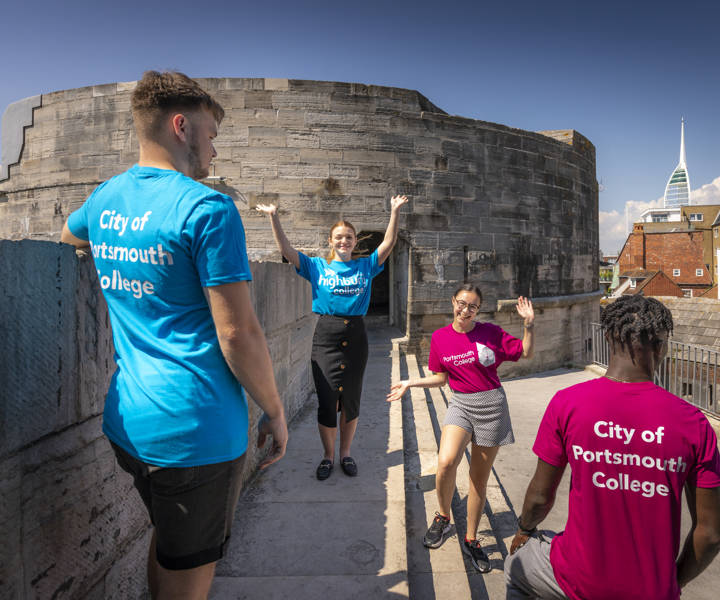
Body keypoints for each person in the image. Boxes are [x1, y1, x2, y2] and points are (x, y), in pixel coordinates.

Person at [60, 71, 288, 600]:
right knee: (189, 581)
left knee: (171, 545)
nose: (214, 147)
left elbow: (70, 238)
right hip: (195, 434)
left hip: (129, 424)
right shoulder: (207, 208)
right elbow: (239, 334)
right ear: (181, 126)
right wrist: (274, 411)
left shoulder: (106, 197)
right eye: (210, 133)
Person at [505, 295, 720, 600]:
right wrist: (670, 584)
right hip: (651, 591)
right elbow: (711, 534)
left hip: (579, 579)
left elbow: (540, 499)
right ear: (661, 347)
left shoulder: (568, 404)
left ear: (607, 336)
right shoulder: (693, 423)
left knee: (516, 566)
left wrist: (524, 530)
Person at [387, 283, 535, 573]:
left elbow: (525, 353)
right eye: (461, 303)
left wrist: (529, 325)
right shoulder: (440, 338)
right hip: (461, 403)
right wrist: (409, 382)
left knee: (478, 480)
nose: (465, 310)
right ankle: (443, 517)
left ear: (478, 309)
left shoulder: (490, 333)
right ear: (453, 302)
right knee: (445, 462)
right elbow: (441, 378)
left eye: (472, 307)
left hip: (491, 405)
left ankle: (471, 538)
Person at [257, 194, 407, 480]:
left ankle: (345, 454)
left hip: (356, 336)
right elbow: (287, 251)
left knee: (350, 400)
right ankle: (327, 456)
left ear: (355, 241)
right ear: (330, 241)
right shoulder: (317, 267)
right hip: (325, 336)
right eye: (339, 237)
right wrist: (273, 216)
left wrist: (394, 211)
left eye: (349, 237)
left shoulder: (365, 266)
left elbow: (388, 244)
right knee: (327, 400)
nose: (344, 241)